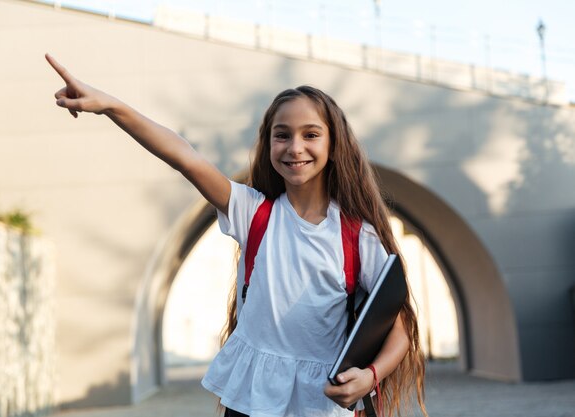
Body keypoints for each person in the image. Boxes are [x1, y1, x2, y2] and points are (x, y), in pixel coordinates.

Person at [45, 53, 427, 417]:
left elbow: (400, 328)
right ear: (268, 142)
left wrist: (369, 377)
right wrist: (112, 106)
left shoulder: (357, 238)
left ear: (333, 143)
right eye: (282, 135)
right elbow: (184, 156)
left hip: (322, 403)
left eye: (311, 134)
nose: (295, 147)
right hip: (251, 396)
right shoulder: (253, 211)